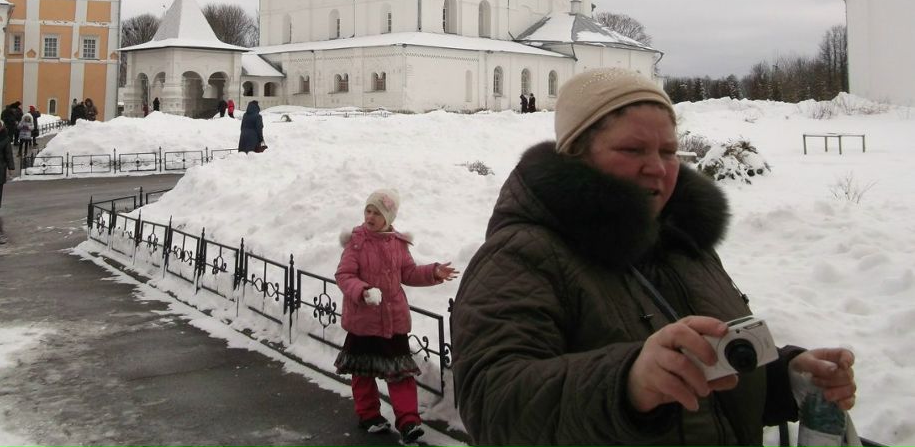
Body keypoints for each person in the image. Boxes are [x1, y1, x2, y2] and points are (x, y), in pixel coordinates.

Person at [451, 68, 857, 446]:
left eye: (668, 151)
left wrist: (784, 375)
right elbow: (493, 403)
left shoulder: (681, 243)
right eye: (632, 149)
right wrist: (626, 385)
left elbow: (709, 375)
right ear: (575, 154)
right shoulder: (524, 255)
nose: (658, 169)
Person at [335, 189, 459, 443]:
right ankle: (369, 415)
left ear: (389, 218)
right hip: (363, 320)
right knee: (363, 371)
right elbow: (344, 276)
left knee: (400, 373)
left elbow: (409, 273)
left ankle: (409, 421)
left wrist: (434, 272)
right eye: (368, 211)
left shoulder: (398, 243)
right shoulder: (356, 243)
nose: (370, 217)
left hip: (393, 320)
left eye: (377, 213)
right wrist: (363, 291)